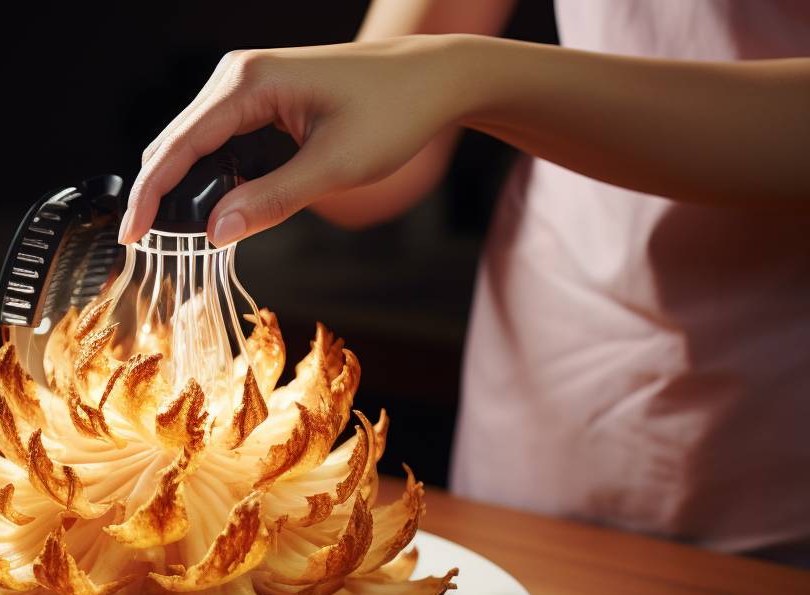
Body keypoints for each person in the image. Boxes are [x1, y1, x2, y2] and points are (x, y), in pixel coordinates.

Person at [117, 0, 810, 566]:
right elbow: (378, 177)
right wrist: (297, 140)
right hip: (560, 372)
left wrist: (463, 77)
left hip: (781, 423)